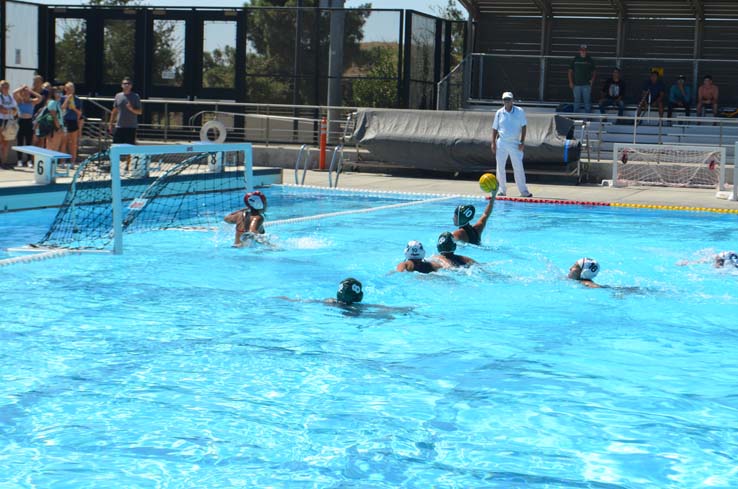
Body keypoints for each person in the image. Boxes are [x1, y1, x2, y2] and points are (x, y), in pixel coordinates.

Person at [491, 92, 532, 198]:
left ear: (512, 100)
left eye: (508, 99)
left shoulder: (519, 111)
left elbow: (524, 127)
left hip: (515, 143)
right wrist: (493, 142)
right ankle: (501, 190)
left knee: (518, 167)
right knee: (500, 167)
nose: (506, 101)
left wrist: (522, 142)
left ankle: (523, 191)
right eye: (505, 99)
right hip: (502, 143)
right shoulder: (499, 112)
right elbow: (495, 128)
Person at [12, 84, 41, 167]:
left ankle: (29, 160)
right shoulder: (20, 101)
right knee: (20, 142)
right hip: (21, 122)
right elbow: (14, 93)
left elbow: (40, 98)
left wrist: (30, 91)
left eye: (27, 94)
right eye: (24, 93)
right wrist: (22, 88)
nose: (25, 95)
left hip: (29, 122)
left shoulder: (32, 101)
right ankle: (19, 160)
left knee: (29, 142)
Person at [109, 76, 142, 145]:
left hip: (131, 127)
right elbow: (114, 111)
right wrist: (111, 124)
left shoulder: (135, 96)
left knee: (129, 149)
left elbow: (139, 112)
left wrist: (131, 109)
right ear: (121, 85)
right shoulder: (118, 96)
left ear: (131, 86)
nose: (126, 85)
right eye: (125, 83)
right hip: (119, 126)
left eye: (128, 84)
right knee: (116, 146)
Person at [568, 44, 596, 113]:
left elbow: (594, 71)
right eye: (582, 50)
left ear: (586, 51)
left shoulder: (590, 60)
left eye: (584, 50)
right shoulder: (575, 59)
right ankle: (575, 118)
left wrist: (592, 80)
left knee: (587, 101)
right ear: (579, 51)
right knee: (576, 101)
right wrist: (570, 82)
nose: (583, 51)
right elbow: (570, 71)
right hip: (576, 85)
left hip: (586, 85)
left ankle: (588, 118)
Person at [61, 82, 83, 166]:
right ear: (65, 89)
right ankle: (62, 161)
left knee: (73, 143)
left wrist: (74, 109)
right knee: (64, 142)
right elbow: (62, 108)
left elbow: (79, 113)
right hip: (65, 120)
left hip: (73, 121)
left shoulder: (77, 99)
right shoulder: (62, 98)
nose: (71, 90)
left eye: (72, 88)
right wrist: (67, 99)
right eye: (69, 88)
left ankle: (72, 161)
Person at [0, 80, 19, 169]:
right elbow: (1, 109)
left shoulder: (11, 98)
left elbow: (15, 110)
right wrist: (10, 110)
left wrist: (8, 110)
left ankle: (4, 162)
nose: (5, 88)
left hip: (8, 121)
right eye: (3, 86)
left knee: (6, 143)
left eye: (7, 86)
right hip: (1, 121)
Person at [42, 86, 64, 152]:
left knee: (56, 147)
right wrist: (58, 127)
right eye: (57, 92)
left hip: (57, 126)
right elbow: (54, 116)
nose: (59, 94)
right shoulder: (53, 103)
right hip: (54, 128)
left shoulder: (57, 103)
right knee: (52, 147)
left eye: (60, 92)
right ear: (53, 93)